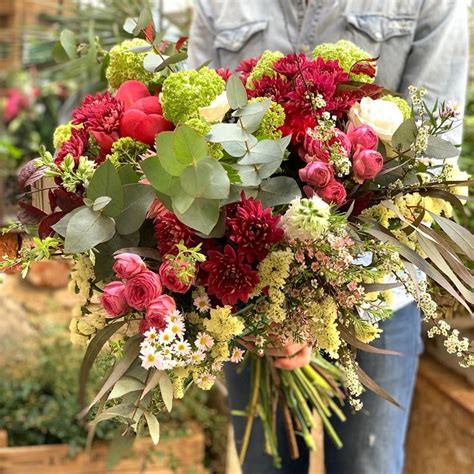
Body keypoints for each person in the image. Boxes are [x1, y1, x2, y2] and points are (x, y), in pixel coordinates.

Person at [187, 1, 469, 473]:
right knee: (264, 464)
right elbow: (193, 138)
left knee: (367, 463)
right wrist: (273, 307)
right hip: (251, 297)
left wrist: (313, 299)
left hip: (374, 296)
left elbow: (430, 162)